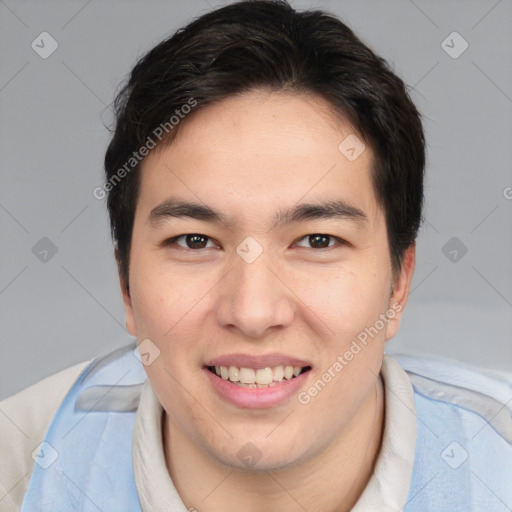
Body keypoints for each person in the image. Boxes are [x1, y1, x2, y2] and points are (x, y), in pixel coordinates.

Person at [1, 1, 511, 511]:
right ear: (126, 284)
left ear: (398, 283)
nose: (252, 312)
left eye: (317, 241)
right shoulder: (20, 468)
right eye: (194, 241)